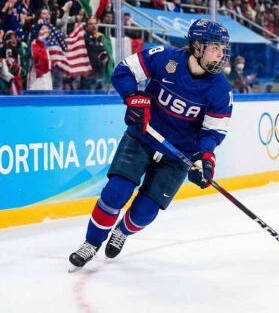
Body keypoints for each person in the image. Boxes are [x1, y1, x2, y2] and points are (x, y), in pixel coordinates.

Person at [69, 19, 233, 268]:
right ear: (197, 47)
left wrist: (205, 157)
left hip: (178, 154)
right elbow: (124, 71)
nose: (221, 54)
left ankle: (122, 232)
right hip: (143, 135)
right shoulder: (164, 57)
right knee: (116, 192)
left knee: (145, 211)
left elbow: (213, 130)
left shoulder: (221, 88)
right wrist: (134, 98)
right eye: (215, 48)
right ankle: (91, 243)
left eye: (223, 49)